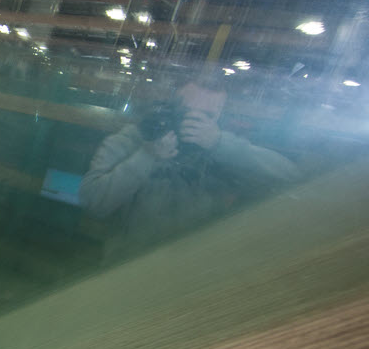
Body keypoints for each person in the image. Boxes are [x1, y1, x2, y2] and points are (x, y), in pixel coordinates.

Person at [79, 74, 299, 262]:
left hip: (197, 268)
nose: (193, 121)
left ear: (219, 117)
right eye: (186, 112)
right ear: (171, 106)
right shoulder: (133, 139)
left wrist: (219, 143)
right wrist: (146, 156)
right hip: (129, 263)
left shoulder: (223, 148)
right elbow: (93, 201)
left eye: (206, 116)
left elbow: (290, 178)